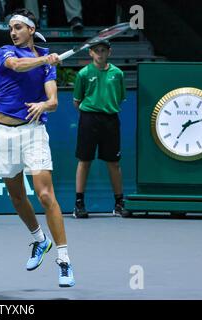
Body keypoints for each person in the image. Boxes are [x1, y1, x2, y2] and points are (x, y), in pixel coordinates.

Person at [0, 8, 75, 287]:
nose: (12, 32)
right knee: (16, 197)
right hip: (3, 132)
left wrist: (44, 104)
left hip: (33, 132)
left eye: (17, 28)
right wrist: (43, 60)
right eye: (11, 28)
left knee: (45, 194)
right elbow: (16, 66)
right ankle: (39, 240)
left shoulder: (47, 60)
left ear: (31, 29)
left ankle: (64, 261)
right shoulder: (6, 51)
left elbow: (53, 101)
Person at [72, 40, 130, 218]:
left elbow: (119, 98)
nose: (99, 54)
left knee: (114, 163)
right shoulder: (83, 74)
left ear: (109, 53)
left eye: (103, 50)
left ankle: (119, 203)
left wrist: (106, 108)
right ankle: (79, 204)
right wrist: (93, 110)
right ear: (90, 53)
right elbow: (77, 101)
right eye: (96, 51)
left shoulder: (118, 74)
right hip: (89, 119)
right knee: (84, 161)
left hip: (111, 120)